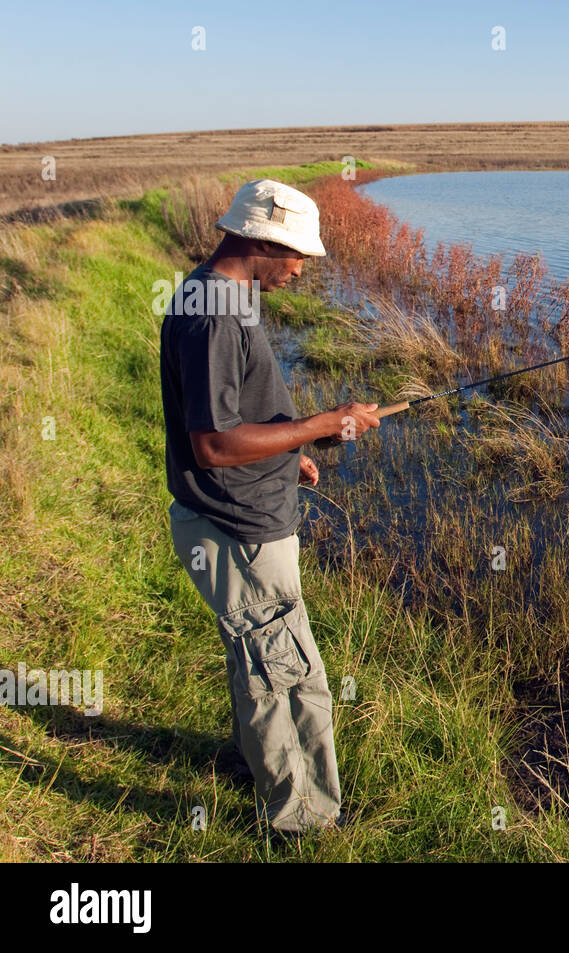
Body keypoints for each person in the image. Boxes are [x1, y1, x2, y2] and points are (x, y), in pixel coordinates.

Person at [159, 179, 381, 832]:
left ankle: (255, 763)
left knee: (258, 655)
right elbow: (213, 441)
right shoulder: (215, 312)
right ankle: (303, 819)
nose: (301, 269)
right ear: (261, 239)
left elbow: (234, 418)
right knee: (287, 676)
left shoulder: (226, 293)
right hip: (239, 531)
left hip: (243, 517)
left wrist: (288, 456)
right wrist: (319, 424)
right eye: (296, 255)